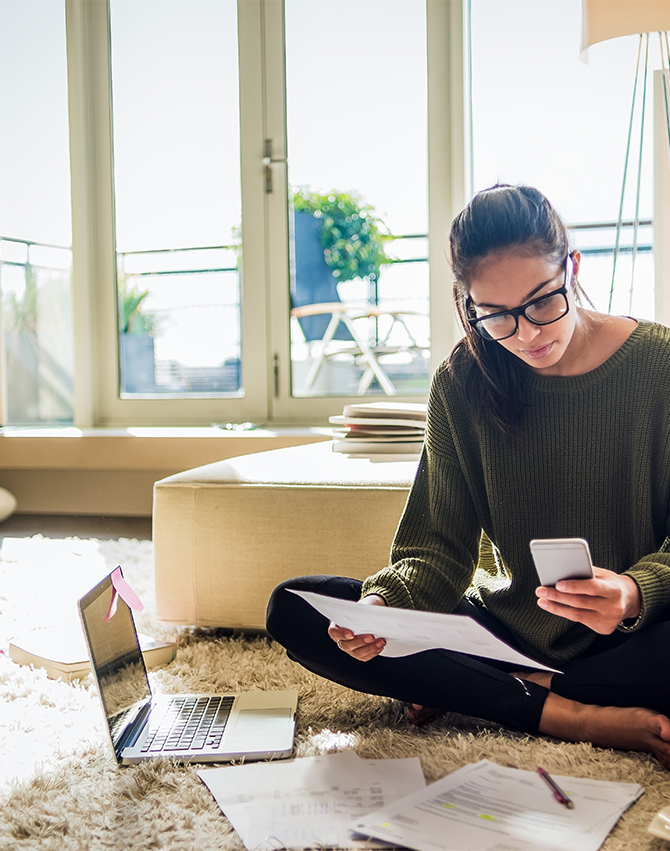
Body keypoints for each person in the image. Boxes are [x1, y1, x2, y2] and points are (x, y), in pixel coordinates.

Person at [266, 184, 670, 769]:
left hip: (634, 638)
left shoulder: (659, 367)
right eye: (497, 316)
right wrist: (385, 605)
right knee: (297, 609)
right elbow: (436, 549)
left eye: (541, 302)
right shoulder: (462, 381)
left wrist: (634, 594)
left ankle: (486, 689)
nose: (527, 333)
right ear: (468, 302)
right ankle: (567, 713)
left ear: (572, 268)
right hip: (504, 629)